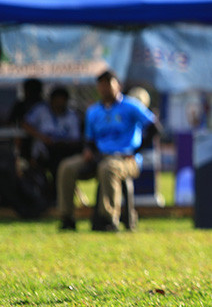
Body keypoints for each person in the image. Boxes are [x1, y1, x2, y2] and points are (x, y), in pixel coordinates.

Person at [56, 70, 159, 232]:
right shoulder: (93, 111)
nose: (105, 88)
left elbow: (154, 128)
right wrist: (88, 150)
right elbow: (89, 139)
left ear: (118, 86)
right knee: (67, 167)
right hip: (99, 156)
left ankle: (109, 219)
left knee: (108, 168)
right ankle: (67, 217)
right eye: (101, 85)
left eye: (108, 84)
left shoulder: (131, 106)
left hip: (125, 159)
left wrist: (135, 151)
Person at [22, 86, 83, 203]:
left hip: (64, 152)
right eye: (57, 100)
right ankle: (49, 198)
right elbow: (24, 124)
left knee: (60, 163)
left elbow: (76, 139)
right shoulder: (41, 110)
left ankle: (58, 199)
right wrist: (42, 137)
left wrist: (61, 142)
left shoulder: (71, 116)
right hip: (43, 151)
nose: (59, 104)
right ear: (51, 100)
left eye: (62, 100)